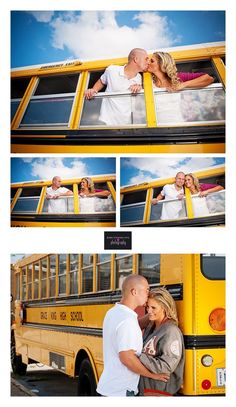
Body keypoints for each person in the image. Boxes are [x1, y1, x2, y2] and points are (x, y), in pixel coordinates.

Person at [96, 275, 169, 397]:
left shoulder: (114, 312)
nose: (148, 294)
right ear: (134, 291)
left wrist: (153, 314)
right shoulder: (127, 320)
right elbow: (127, 358)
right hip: (121, 391)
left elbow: (132, 327)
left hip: (109, 387)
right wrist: (152, 375)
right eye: (146, 290)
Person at [138, 287, 185, 396]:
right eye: (148, 307)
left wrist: (138, 356)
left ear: (164, 308)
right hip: (147, 390)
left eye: (153, 308)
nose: (149, 311)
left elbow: (167, 366)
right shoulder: (151, 326)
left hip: (160, 391)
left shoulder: (171, 331)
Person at [84, 48, 150, 125]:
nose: (148, 62)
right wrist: (93, 90)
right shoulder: (112, 70)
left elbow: (138, 103)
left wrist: (139, 88)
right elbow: (102, 81)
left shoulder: (139, 77)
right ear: (136, 59)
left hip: (126, 123)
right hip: (106, 121)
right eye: (146, 59)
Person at [148, 51, 214, 123]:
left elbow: (209, 78)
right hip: (156, 124)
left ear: (162, 64)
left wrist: (184, 84)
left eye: (152, 61)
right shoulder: (147, 81)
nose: (148, 62)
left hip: (178, 123)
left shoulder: (177, 78)